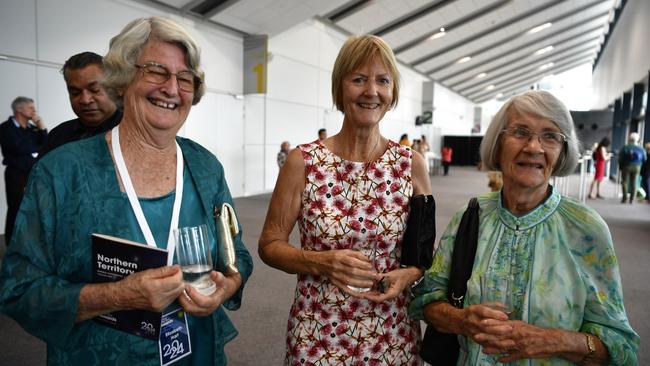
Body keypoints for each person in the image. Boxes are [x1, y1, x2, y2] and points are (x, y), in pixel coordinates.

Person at [0, 16, 253, 365]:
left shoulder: (206, 167)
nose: (171, 88)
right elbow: (19, 290)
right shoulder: (61, 172)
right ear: (122, 78)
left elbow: (235, 253)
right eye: (156, 70)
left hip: (198, 353)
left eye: (185, 78)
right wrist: (118, 295)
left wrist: (228, 283)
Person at [409, 91, 639, 365]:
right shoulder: (470, 217)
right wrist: (461, 320)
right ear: (498, 143)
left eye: (550, 136)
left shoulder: (585, 229)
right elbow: (427, 301)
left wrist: (553, 340)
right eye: (520, 132)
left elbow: (620, 346)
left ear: (562, 151)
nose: (533, 146)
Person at [259, 35, 431, 365]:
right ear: (340, 88)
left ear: (392, 91)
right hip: (319, 331)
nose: (371, 91)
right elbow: (269, 244)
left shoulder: (411, 165)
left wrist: (410, 274)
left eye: (383, 80)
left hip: (392, 332)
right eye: (358, 79)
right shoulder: (303, 162)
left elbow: (423, 254)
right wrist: (320, 262)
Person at [40, 51, 122, 156]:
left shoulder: (134, 131)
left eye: (94, 90)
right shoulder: (57, 136)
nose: (85, 100)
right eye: (75, 93)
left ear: (114, 87)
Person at [0, 96, 47, 245]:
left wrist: (42, 128)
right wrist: (35, 151)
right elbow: (18, 147)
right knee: (16, 208)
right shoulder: (5, 128)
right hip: (16, 175)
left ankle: (29, 243)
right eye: (31, 107)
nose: (35, 111)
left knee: (34, 209)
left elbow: (46, 146)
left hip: (34, 174)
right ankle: (11, 244)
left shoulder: (33, 128)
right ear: (19, 109)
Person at [618, 132, 647, 204]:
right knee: (634, 182)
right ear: (638, 139)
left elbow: (620, 158)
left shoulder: (625, 147)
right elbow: (644, 158)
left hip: (626, 166)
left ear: (630, 139)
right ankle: (632, 199)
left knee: (625, 182)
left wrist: (621, 166)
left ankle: (624, 198)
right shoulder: (641, 149)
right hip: (637, 167)